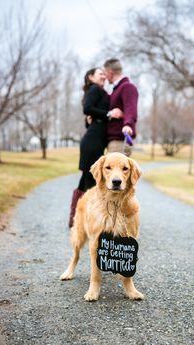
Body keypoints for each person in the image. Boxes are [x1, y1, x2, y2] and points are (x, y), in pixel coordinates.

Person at [68, 67, 122, 228]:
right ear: (91, 77)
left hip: (96, 139)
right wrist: (109, 114)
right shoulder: (94, 89)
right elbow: (87, 109)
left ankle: (75, 218)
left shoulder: (100, 91)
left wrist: (95, 118)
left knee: (85, 179)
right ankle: (85, 219)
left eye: (105, 74)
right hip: (92, 141)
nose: (104, 76)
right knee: (91, 180)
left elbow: (91, 115)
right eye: (100, 74)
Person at [103, 58, 139, 156]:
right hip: (113, 141)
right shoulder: (117, 89)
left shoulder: (127, 87)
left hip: (120, 141)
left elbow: (131, 108)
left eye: (105, 73)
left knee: (115, 171)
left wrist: (128, 124)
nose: (105, 77)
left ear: (110, 72)